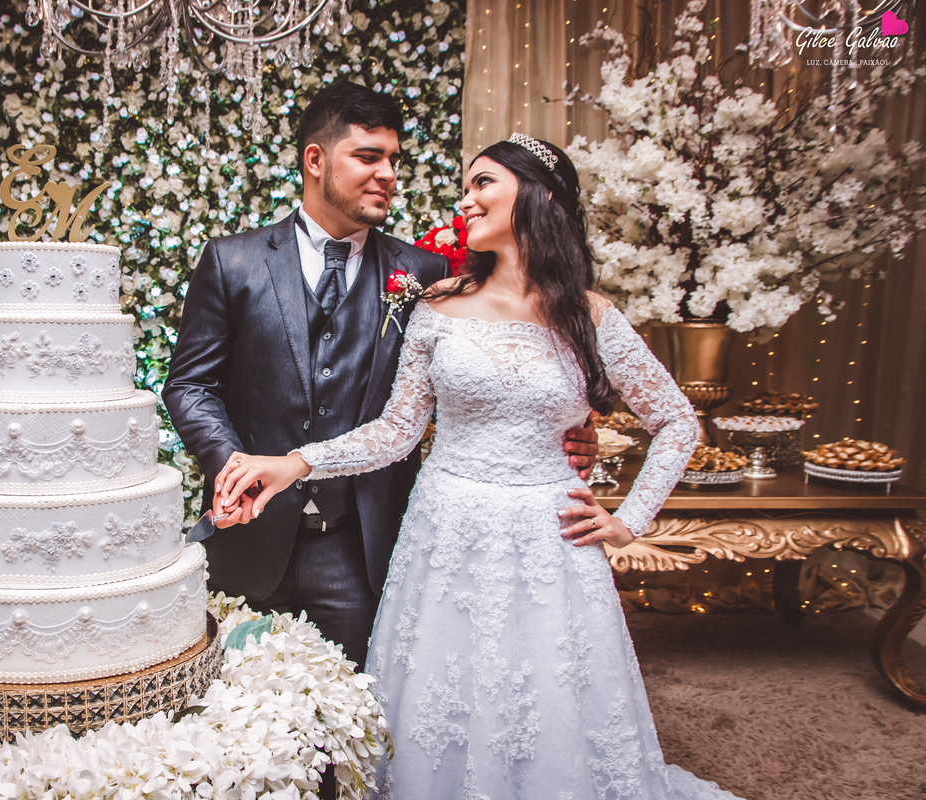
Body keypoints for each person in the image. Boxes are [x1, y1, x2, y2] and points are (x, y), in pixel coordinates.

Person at [216, 135, 744, 799]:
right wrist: (296, 463)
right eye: (466, 186)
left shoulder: (591, 316)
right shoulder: (438, 303)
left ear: (540, 195)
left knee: (546, 696)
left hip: (550, 538)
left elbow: (677, 420)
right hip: (447, 532)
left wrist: (628, 521)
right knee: (443, 693)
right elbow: (399, 431)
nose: (466, 199)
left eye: (484, 182)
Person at [163, 83, 599, 668]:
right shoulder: (232, 260)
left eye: (394, 159)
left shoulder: (426, 273)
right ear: (315, 160)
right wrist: (233, 466)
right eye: (369, 157)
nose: (389, 174)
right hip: (250, 537)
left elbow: (493, 369)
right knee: (235, 706)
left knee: (368, 710)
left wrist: (563, 427)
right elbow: (190, 385)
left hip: (365, 546)